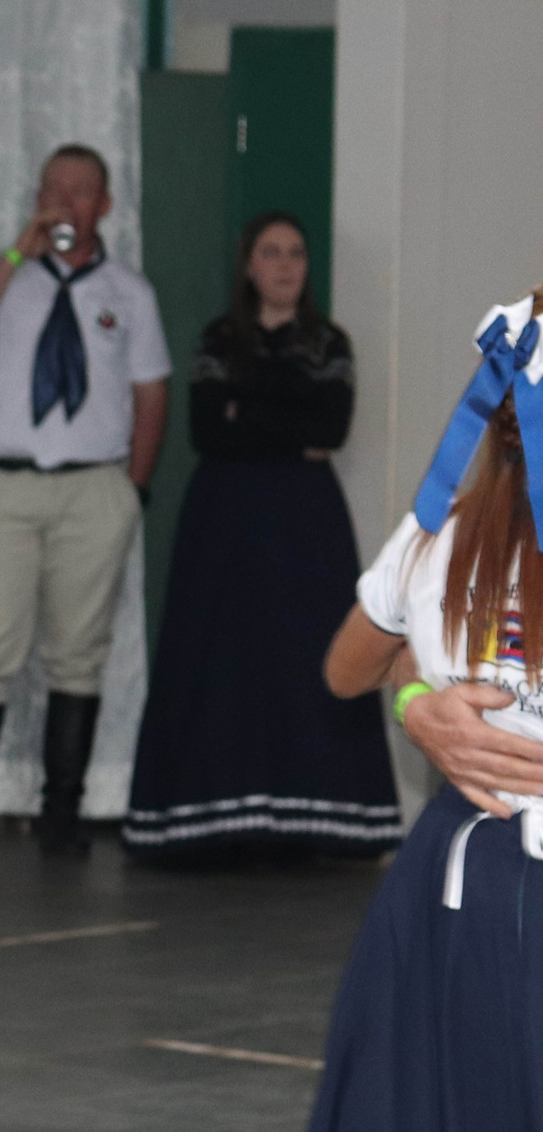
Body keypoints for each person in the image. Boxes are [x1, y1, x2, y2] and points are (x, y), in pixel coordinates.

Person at [222, 291, 543, 1132]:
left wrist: (421, 692)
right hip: (512, 913)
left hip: (439, 910)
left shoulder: (442, 530)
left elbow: (348, 664)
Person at [124, 213, 399, 860]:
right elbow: (208, 431)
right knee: (221, 657)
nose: (284, 265)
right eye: (270, 253)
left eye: (295, 253)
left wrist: (245, 405)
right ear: (249, 265)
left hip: (307, 525)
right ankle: (217, 818)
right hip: (224, 524)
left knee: (309, 654)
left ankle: (315, 819)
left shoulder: (329, 342)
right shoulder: (220, 338)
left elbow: (330, 429)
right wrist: (287, 417)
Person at [0, 144, 171, 859]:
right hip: (1, 486)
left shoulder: (130, 292)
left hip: (93, 488)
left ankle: (62, 814)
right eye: (53, 190)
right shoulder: (6, 274)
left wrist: (132, 488)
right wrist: (14, 256)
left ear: (105, 205)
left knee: (78, 655)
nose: (65, 203)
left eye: (81, 191)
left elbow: (151, 393)